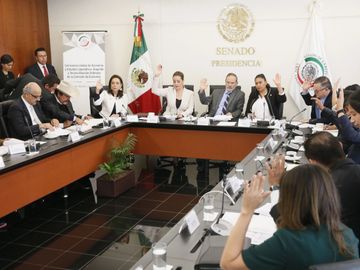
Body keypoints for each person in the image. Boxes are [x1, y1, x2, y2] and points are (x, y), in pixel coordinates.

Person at [220, 165, 359, 270]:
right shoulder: (346, 234)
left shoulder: (287, 242)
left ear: (289, 200)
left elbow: (228, 263)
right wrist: (277, 185)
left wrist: (247, 210)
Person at [302, 131, 360, 252]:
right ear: (340, 146)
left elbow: (306, 222)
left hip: (342, 248)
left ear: (313, 162)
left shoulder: (327, 187)